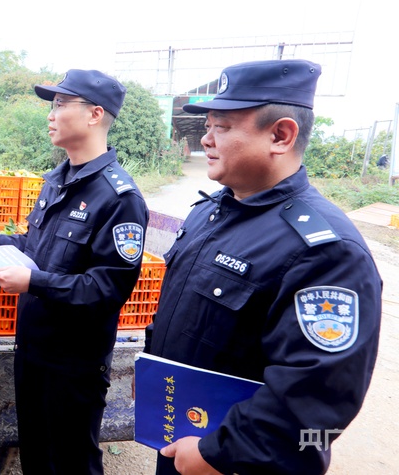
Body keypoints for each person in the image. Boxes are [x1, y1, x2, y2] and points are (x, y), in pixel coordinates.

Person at [145, 59, 382, 474]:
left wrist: (219, 453)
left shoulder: (326, 251)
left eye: (222, 127)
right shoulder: (209, 213)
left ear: (280, 135)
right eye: (207, 126)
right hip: (181, 435)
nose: (206, 139)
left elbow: (321, 405)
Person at [0, 69, 150, 474]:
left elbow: (107, 288)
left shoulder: (119, 198)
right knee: (38, 459)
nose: (51, 114)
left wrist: (33, 282)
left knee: (71, 463)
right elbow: (35, 247)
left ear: (95, 114)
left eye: (61, 104)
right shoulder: (57, 181)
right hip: (33, 350)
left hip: (73, 363)